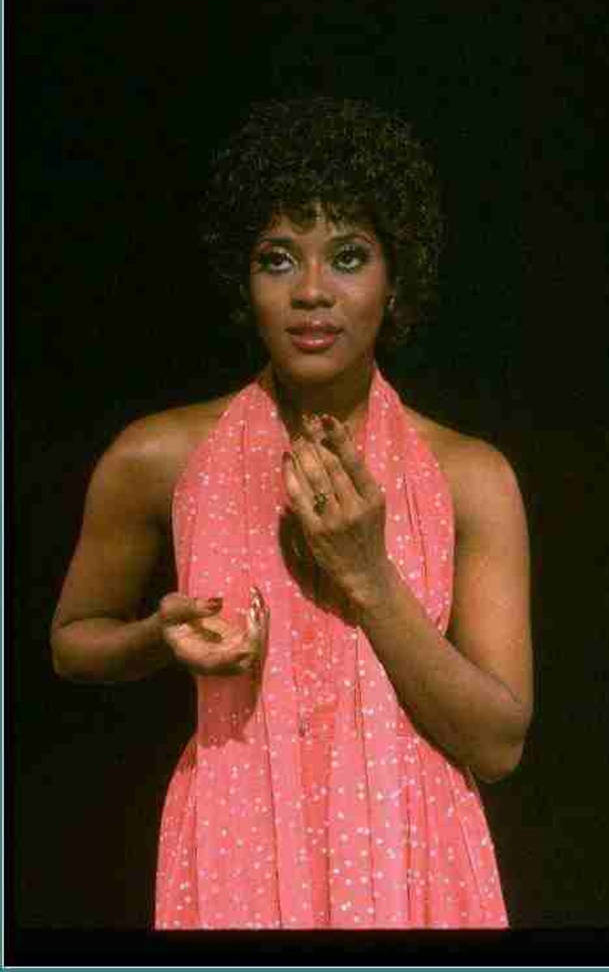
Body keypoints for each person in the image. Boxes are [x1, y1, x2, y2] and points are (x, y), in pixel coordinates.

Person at [51, 97, 532, 930]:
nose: (312, 292)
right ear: (245, 281)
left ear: (395, 279)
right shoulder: (158, 456)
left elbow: (497, 743)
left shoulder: (469, 476)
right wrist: (151, 640)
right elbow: (72, 642)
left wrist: (368, 575)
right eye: (278, 260)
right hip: (237, 841)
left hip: (410, 856)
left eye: (348, 257)